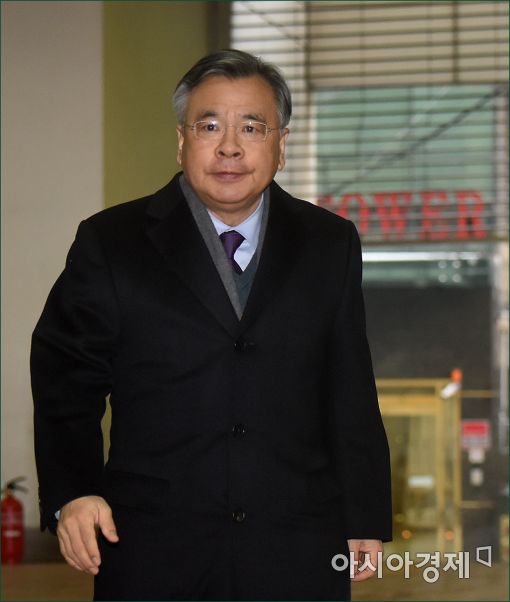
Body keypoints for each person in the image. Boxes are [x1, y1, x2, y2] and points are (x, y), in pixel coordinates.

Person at [31, 49, 392, 601]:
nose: (229, 147)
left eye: (251, 126)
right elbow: (65, 378)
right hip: (152, 546)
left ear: (281, 144)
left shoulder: (329, 242)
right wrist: (74, 491)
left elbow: (350, 387)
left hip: (297, 543)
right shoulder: (112, 241)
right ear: (181, 140)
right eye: (209, 126)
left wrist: (364, 512)